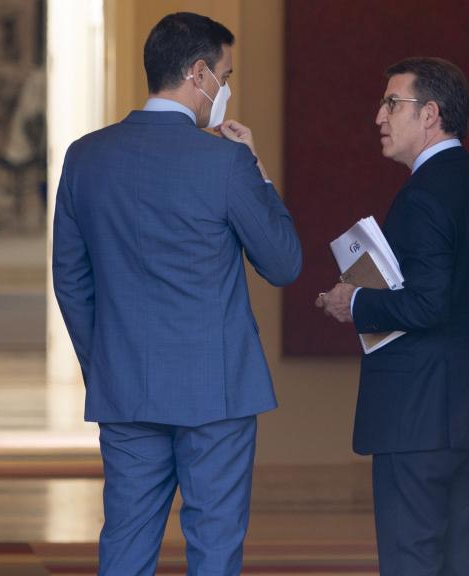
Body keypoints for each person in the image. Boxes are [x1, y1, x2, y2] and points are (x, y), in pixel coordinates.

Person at [52, 11, 302, 576]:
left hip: (127, 389)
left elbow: (70, 278)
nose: (227, 87)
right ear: (197, 74)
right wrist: (258, 172)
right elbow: (284, 263)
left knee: (126, 546)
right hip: (217, 393)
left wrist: (105, 364)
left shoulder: (85, 157)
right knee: (214, 550)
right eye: (225, 73)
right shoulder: (227, 163)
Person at [316, 57, 469, 576]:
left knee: (413, 562)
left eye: (391, 103)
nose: (378, 116)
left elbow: (428, 303)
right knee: (467, 562)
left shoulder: (423, 196)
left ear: (430, 114)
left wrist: (352, 302)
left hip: (418, 421)